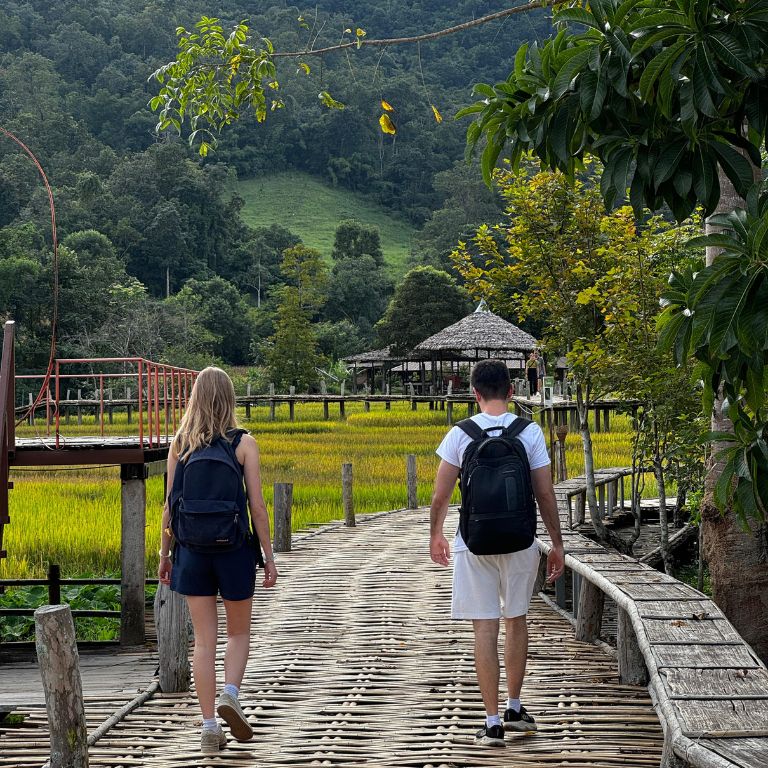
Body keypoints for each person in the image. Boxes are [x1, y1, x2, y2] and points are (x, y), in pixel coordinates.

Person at [429, 359, 565, 748]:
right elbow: (544, 492)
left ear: (474, 393)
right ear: (510, 391)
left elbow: (440, 495)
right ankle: (515, 707)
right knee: (515, 619)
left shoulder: (460, 432)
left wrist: (436, 534)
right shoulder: (530, 431)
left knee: (484, 627)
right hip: (521, 540)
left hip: (473, 542)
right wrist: (556, 544)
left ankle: (491, 723)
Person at [158, 366, 278, 754]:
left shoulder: (180, 443)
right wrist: (269, 558)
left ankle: (209, 725)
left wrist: (164, 555)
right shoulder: (244, 443)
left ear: (194, 397)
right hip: (234, 551)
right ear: (230, 398)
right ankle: (231, 693)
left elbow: (169, 506)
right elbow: (257, 507)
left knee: (204, 642)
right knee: (239, 633)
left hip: (191, 552)